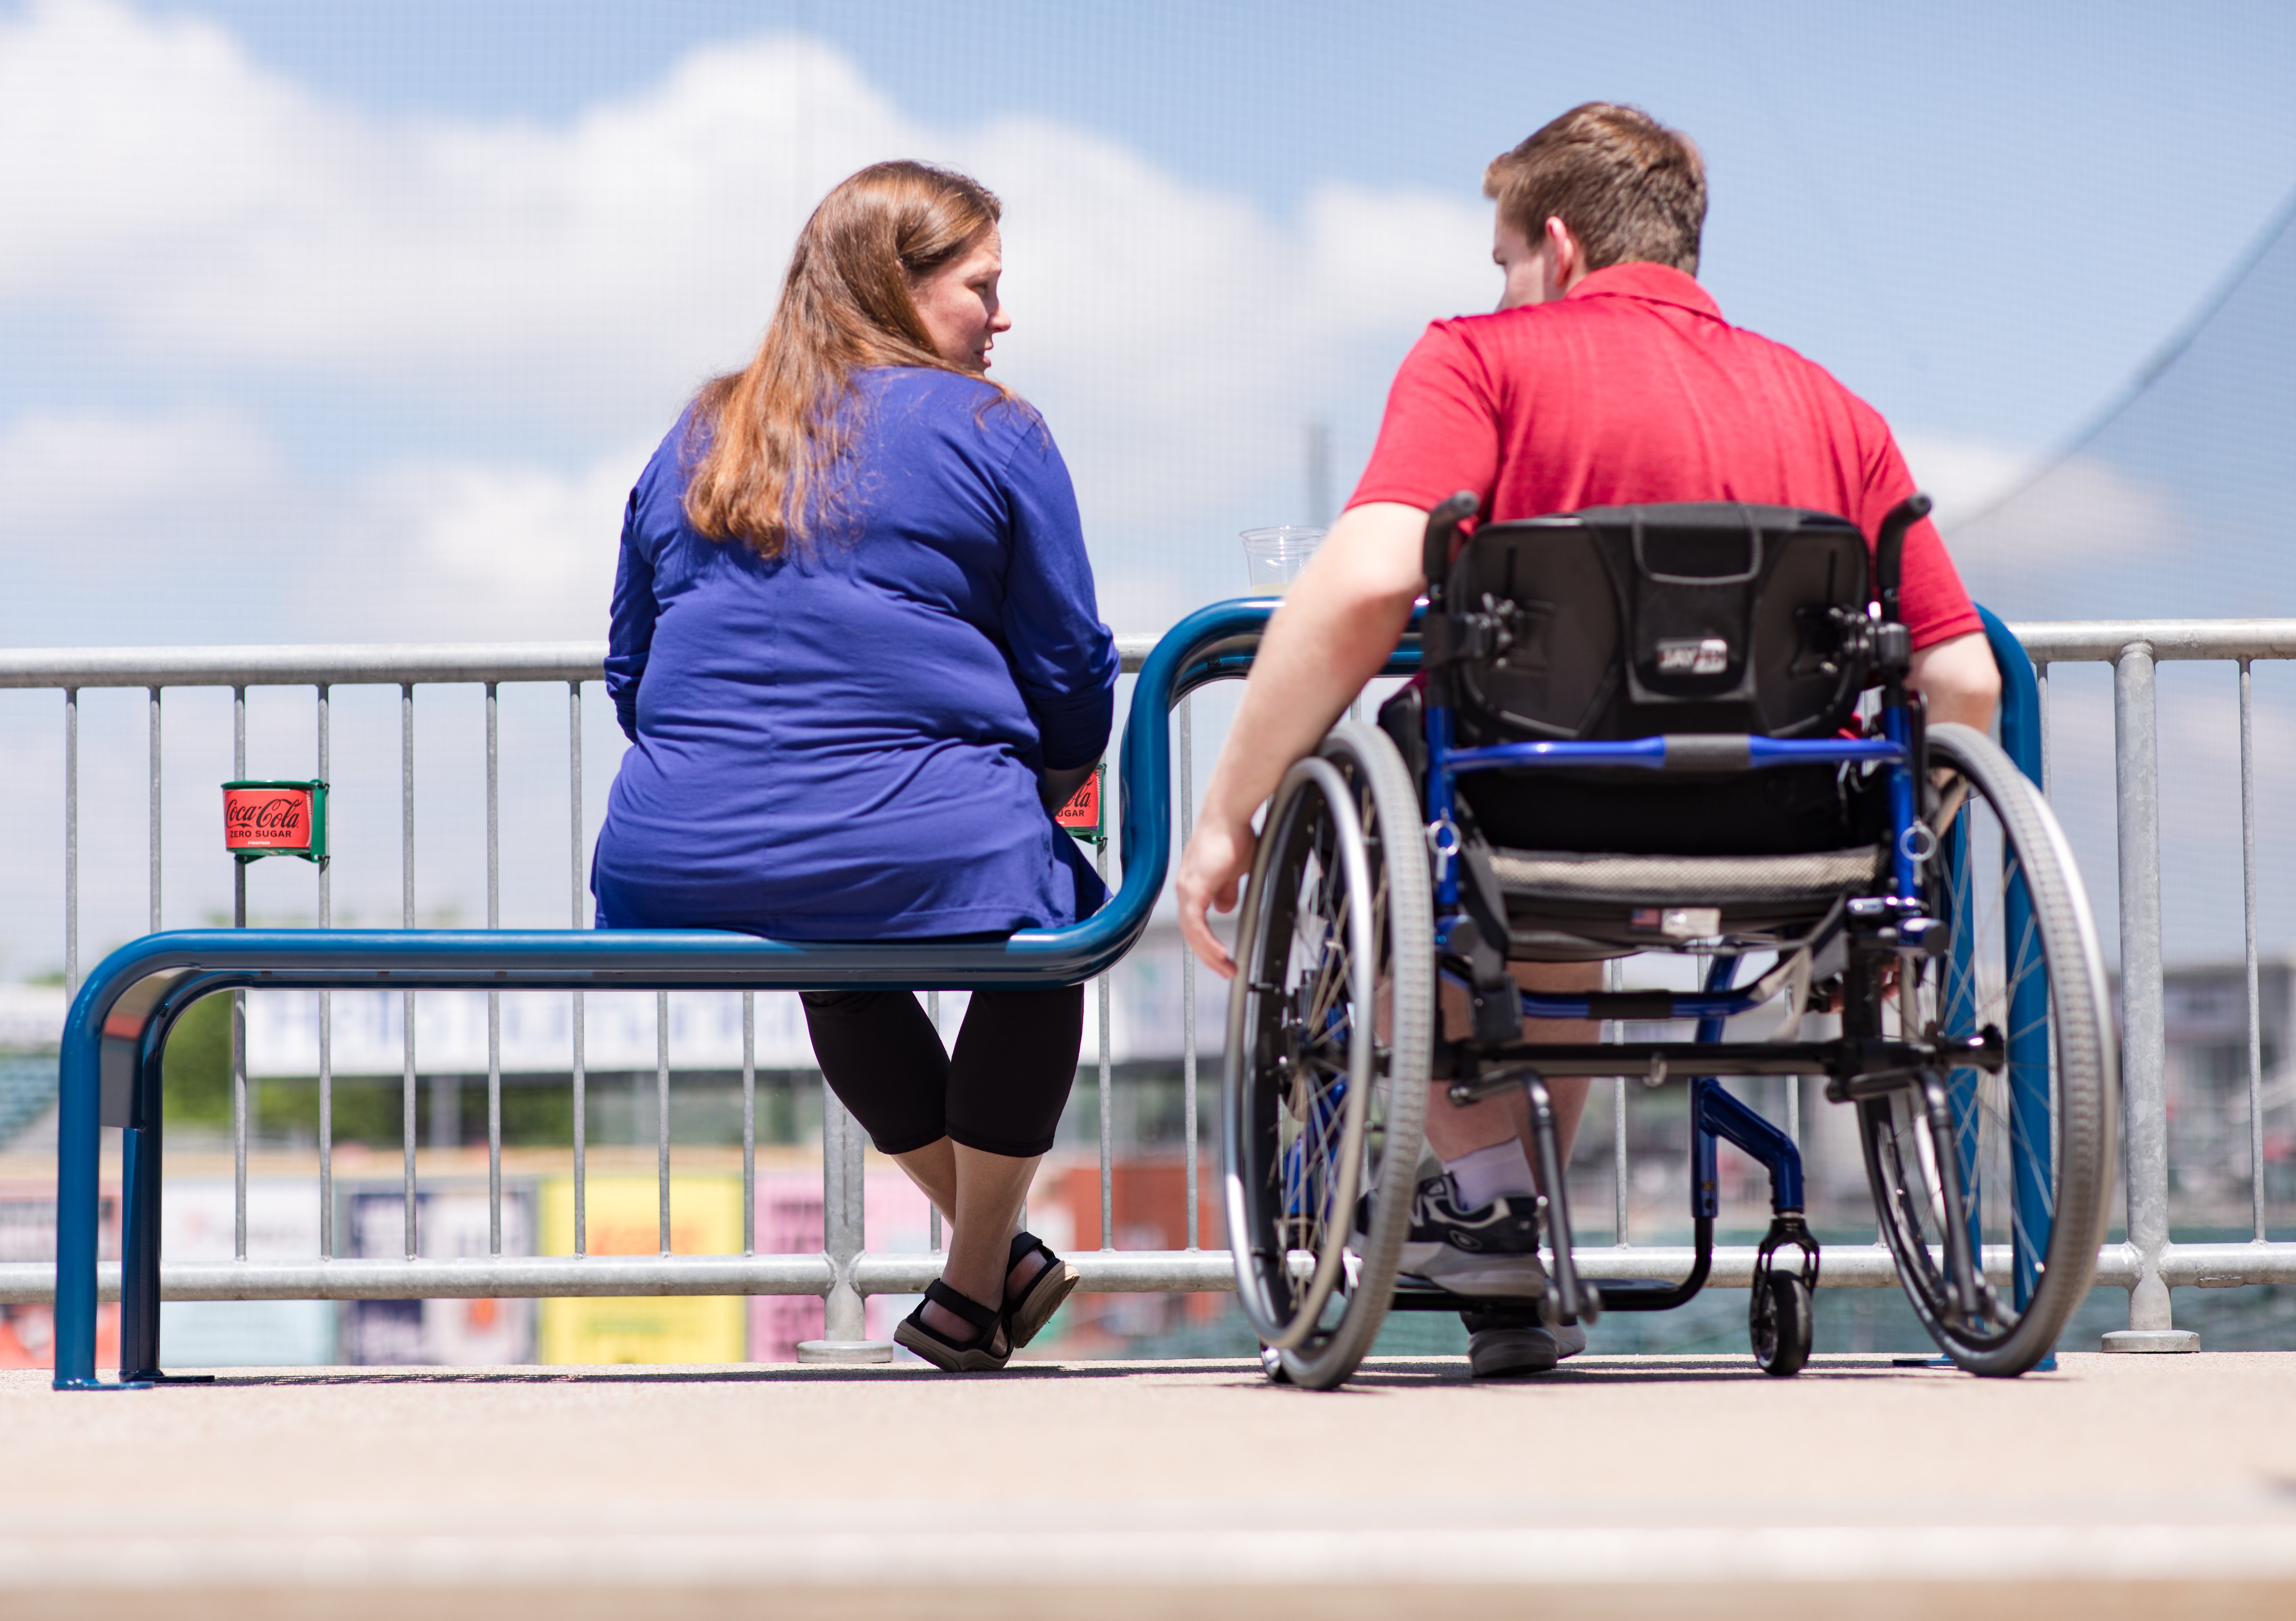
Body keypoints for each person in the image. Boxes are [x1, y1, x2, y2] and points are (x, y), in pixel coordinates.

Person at [1174, 104, 2002, 1378]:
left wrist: (1230, 812)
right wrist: (1897, 893)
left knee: (1411, 778)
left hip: (1532, 810)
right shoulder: (1834, 407)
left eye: (1503, 260)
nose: (1499, 288)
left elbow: (1357, 588)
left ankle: (1498, 1195)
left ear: (1555, 246)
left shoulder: (1482, 359)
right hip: (1795, 829)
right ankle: (1513, 1204)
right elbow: (1963, 678)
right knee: (1500, 826)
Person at [594, 161, 1119, 1372]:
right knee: (1053, 929)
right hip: (920, 832)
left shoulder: (704, 426)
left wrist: (732, 777)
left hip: (677, 856)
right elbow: (1068, 668)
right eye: (982, 287)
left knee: (839, 952)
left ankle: (989, 1275)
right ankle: (979, 1278)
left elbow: (632, 669)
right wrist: (1038, 786)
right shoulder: (996, 427)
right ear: (899, 285)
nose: (1002, 317)